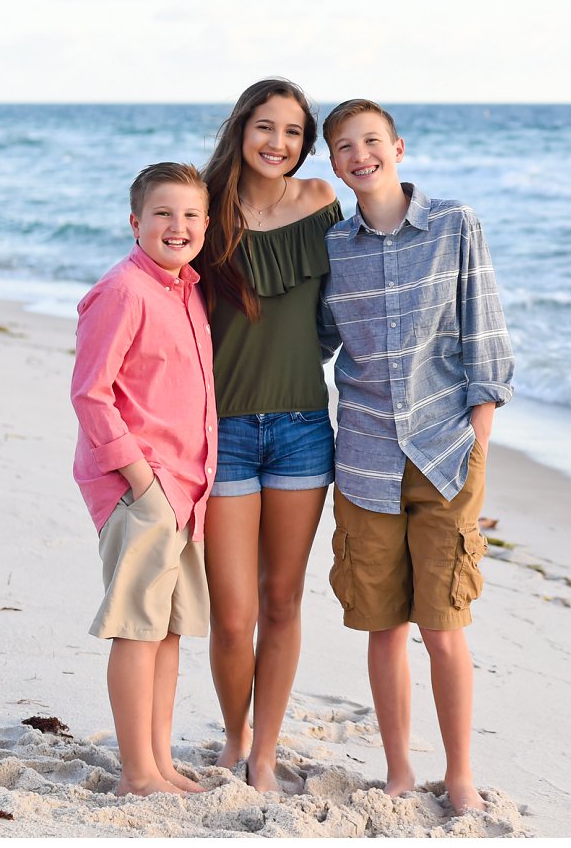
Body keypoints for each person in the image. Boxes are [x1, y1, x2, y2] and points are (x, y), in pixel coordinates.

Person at [317, 98, 514, 813]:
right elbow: (315, 342)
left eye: (371, 140)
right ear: (332, 162)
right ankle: (399, 770)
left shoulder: (456, 224)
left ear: (398, 146)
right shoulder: (336, 246)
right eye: (343, 145)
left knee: (443, 623)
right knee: (382, 623)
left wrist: (479, 439)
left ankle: (459, 772)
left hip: (446, 453)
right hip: (365, 458)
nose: (359, 153)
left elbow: (484, 332)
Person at [199, 78, 343, 791]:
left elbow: (345, 306)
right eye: (266, 126)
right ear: (241, 127)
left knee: (282, 600)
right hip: (219, 429)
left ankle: (265, 749)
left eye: (293, 131)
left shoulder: (320, 202)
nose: (278, 143)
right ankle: (233, 734)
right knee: (233, 614)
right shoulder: (204, 206)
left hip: (302, 428)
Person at [69, 162, 216, 797]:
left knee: (170, 629)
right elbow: (91, 394)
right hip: (143, 487)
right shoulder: (124, 291)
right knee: (137, 628)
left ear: (206, 226)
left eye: (189, 215)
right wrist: (142, 481)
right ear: (135, 222)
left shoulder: (187, 291)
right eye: (163, 214)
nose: (176, 226)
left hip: (188, 487)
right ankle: (136, 773)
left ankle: (158, 761)